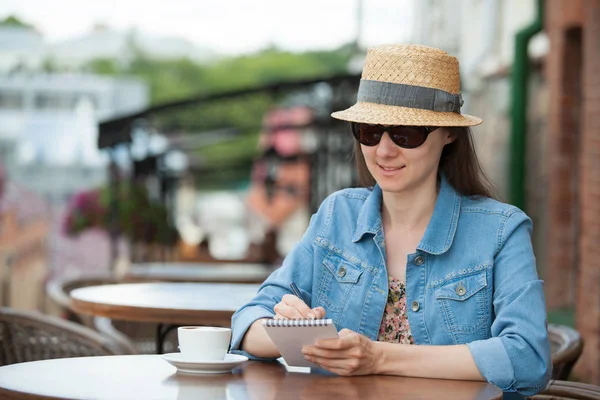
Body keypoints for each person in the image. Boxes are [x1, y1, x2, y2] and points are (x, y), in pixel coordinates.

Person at [230, 44, 551, 396]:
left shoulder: (501, 230)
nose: (384, 151)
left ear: (449, 135)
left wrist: (378, 357)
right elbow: (247, 322)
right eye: (369, 131)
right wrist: (290, 330)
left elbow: (528, 358)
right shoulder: (337, 215)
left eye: (405, 134)